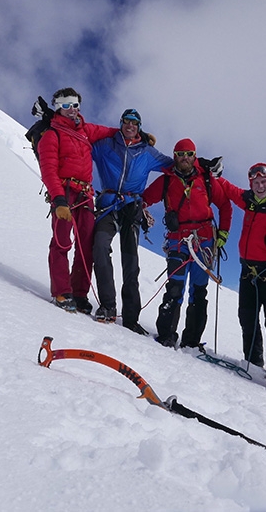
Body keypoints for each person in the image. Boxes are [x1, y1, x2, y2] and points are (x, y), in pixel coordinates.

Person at [141, 138, 232, 348]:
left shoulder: (207, 180)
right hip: (178, 241)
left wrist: (223, 234)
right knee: (175, 288)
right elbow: (145, 198)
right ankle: (166, 335)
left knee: (199, 291)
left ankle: (191, 341)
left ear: (195, 156)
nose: (185, 158)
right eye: (180, 154)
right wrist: (139, 209)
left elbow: (225, 206)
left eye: (189, 154)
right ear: (175, 156)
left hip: (205, 242)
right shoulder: (166, 180)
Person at [91, 109, 172, 334]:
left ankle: (130, 318)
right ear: (121, 124)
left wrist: (200, 165)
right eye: (127, 121)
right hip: (108, 205)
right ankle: (108, 306)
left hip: (131, 208)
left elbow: (174, 166)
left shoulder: (147, 152)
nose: (130, 125)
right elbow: (82, 145)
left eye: (134, 122)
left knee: (131, 263)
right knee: (99, 246)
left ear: (139, 127)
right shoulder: (105, 145)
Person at [36, 87, 117, 313]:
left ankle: (79, 293)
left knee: (86, 246)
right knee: (62, 242)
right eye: (66, 105)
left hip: (85, 195)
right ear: (57, 108)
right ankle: (62, 292)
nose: (71, 109)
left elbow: (108, 131)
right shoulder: (51, 136)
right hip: (65, 193)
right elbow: (49, 171)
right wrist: (59, 200)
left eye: (75, 105)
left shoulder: (85, 131)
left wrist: (136, 135)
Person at [213, 163, 266, 370]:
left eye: (263, 181)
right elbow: (230, 190)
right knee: (247, 317)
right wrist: (216, 176)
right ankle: (253, 363)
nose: (260, 186)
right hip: (247, 272)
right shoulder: (249, 201)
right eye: (255, 183)